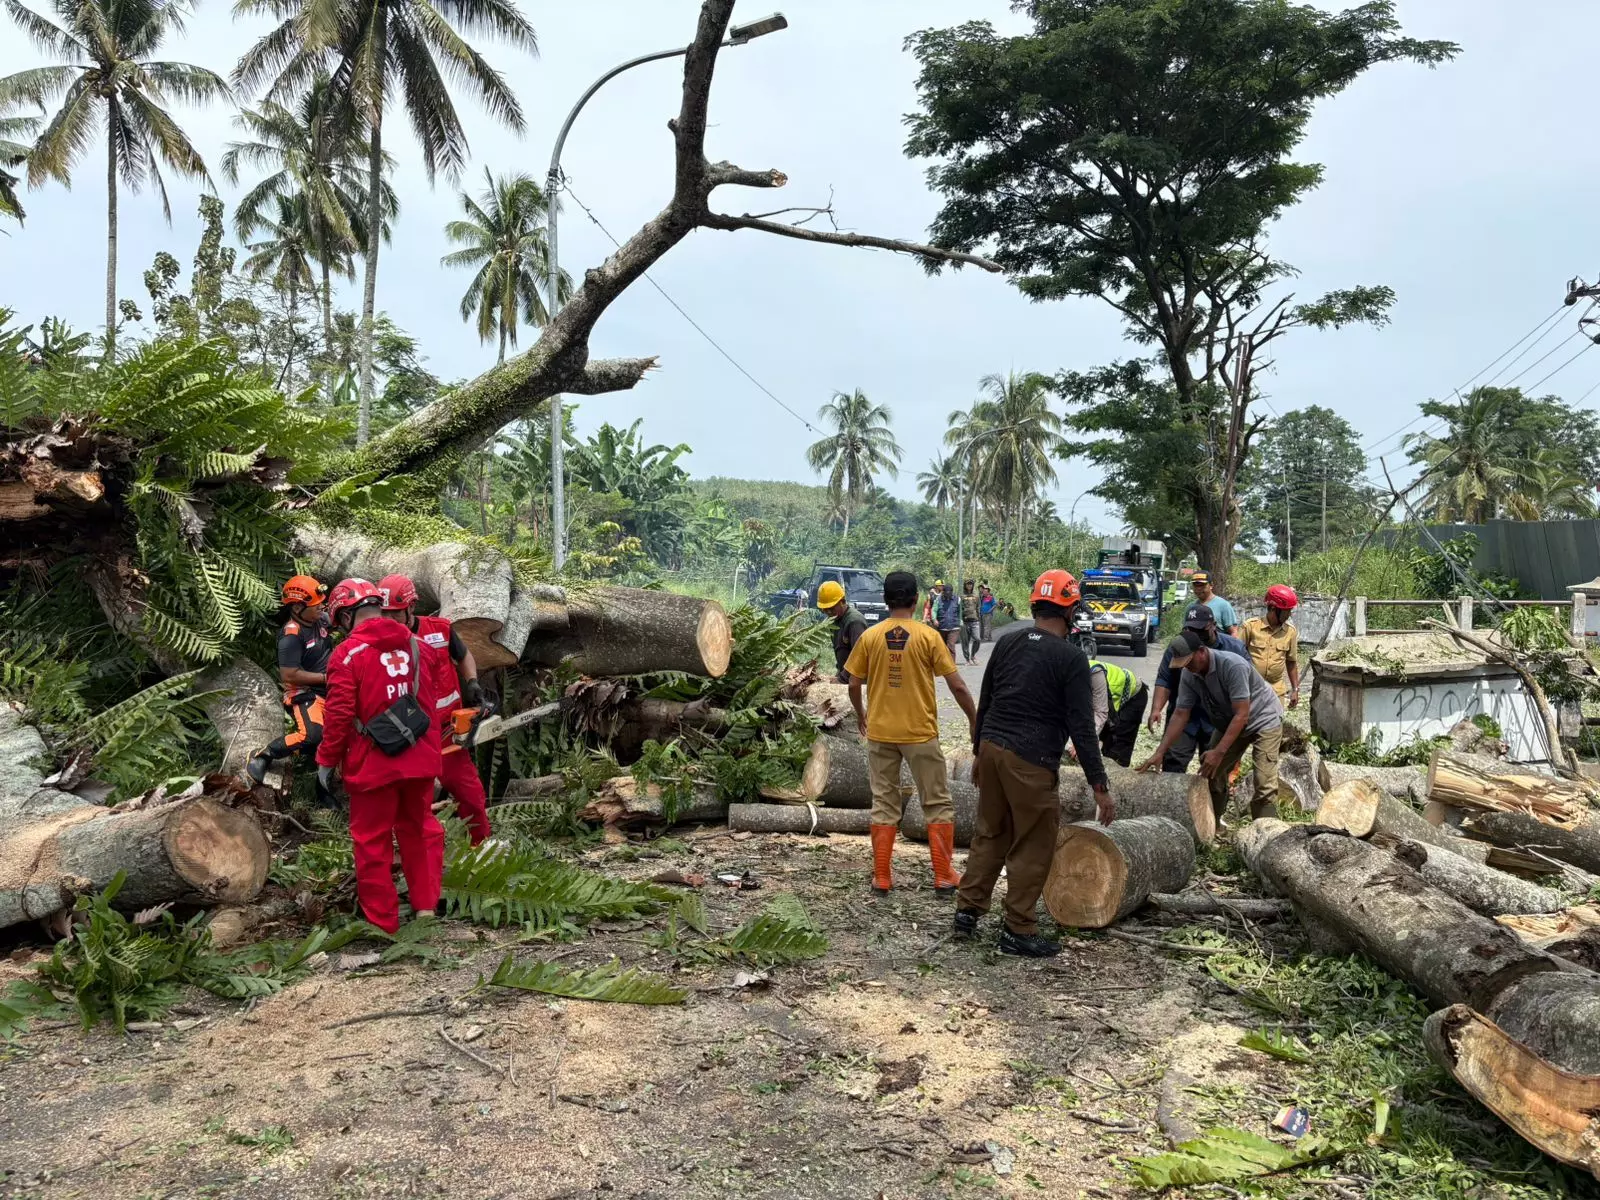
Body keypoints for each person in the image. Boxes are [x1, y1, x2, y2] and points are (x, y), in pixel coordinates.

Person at [954, 570, 1114, 957]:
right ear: (1070, 609)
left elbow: (987, 698)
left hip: (992, 748)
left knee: (991, 833)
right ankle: (1017, 929)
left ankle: (967, 911)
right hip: (1031, 760)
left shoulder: (1008, 642)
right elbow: (1082, 726)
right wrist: (1100, 785)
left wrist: (979, 752)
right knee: (1033, 844)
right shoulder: (1072, 658)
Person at [316, 578, 446, 935]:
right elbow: (428, 708)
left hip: (373, 764)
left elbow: (339, 716)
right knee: (420, 831)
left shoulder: (346, 656)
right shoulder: (420, 646)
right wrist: (434, 762)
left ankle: (383, 923)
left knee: (372, 841)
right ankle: (425, 910)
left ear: (343, 616)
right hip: (419, 759)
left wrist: (326, 762)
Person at [845, 571, 979, 898]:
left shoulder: (871, 636)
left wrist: (862, 716)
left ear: (885, 600)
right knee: (936, 802)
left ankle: (882, 877)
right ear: (916, 600)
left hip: (880, 734)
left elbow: (853, 683)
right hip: (920, 734)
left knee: (884, 802)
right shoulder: (928, 636)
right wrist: (975, 722)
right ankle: (944, 875)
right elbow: (958, 685)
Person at [376, 574, 493, 846]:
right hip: (412, 736)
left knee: (471, 794)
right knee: (416, 803)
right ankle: (419, 853)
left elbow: (463, 655)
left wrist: (472, 682)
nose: (389, 620)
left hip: (448, 731)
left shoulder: (440, 629)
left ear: (411, 607)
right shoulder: (382, 643)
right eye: (384, 614)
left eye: (395, 614)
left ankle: (481, 846)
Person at [1137, 632, 1283, 823]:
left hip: (1264, 719)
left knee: (1264, 783)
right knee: (1211, 774)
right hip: (1229, 720)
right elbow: (1181, 714)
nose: (1187, 667)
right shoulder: (1190, 674)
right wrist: (1160, 752)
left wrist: (1219, 752)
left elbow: (1242, 714)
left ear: (1202, 652)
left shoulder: (1233, 665)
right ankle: (1213, 827)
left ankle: (1265, 835)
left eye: (1189, 662)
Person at [245, 575, 334, 805]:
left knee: (340, 737)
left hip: (332, 689)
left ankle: (325, 791)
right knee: (312, 735)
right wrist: (327, 677)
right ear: (297, 607)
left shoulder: (321, 620)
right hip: (306, 692)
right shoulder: (291, 636)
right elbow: (289, 675)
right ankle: (264, 754)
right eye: (316, 605)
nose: (322, 607)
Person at [1146, 604, 1248, 772]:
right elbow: (1165, 679)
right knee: (1173, 762)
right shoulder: (1179, 647)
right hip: (1185, 714)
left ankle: (1209, 797)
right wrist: (1156, 709)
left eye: (1201, 630)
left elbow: (1245, 692)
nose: (1196, 635)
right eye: (1191, 630)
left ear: (1213, 626)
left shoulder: (1234, 650)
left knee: (1213, 768)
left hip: (1219, 719)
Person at [1242, 585, 1302, 709]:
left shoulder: (1290, 632)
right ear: (1274, 608)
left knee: (1275, 726)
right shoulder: (1250, 627)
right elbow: (1236, 657)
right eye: (1287, 611)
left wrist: (1295, 689)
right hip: (1250, 690)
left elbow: (1291, 663)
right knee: (1250, 725)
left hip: (1276, 691)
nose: (1289, 615)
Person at [1085, 658, 1149, 768]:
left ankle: (1118, 777)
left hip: (1133, 698)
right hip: (1109, 699)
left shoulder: (1094, 674)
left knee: (1115, 748)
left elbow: (1102, 715)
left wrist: (1085, 743)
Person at [817, 579, 868, 684]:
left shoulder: (854, 622)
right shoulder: (834, 620)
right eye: (825, 609)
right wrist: (839, 675)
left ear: (842, 601)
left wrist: (842, 679)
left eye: (831, 608)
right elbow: (842, 654)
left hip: (859, 681)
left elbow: (859, 657)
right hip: (847, 677)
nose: (829, 612)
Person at [1191, 572, 1239, 637]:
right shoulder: (1191, 607)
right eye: (1195, 585)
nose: (1198, 588)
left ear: (1211, 585)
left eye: (1202, 585)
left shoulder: (1223, 605)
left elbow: (1234, 632)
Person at [958, 580, 983, 664]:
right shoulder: (961, 596)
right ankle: (967, 659)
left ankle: (973, 656)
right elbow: (959, 609)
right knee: (965, 642)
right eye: (968, 584)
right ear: (965, 585)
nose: (969, 586)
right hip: (965, 622)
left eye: (971, 584)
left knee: (977, 639)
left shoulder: (976, 596)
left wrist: (979, 618)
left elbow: (978, 608)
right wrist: (960, 620)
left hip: (975, 621)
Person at [936, 581, 962, 653]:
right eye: (946, 592)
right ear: (943, 592)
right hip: (942, 627)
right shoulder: (938, 599)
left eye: (949, 592)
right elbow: (934, 610)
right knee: (942, 647)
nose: (948, 594)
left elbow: (960, 611)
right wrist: (934, 619)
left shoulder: (957, 599)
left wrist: (960, 622)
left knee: (951, 645)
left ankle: (951, 664)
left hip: (954, 627)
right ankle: (943, 663)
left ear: (952, 592)